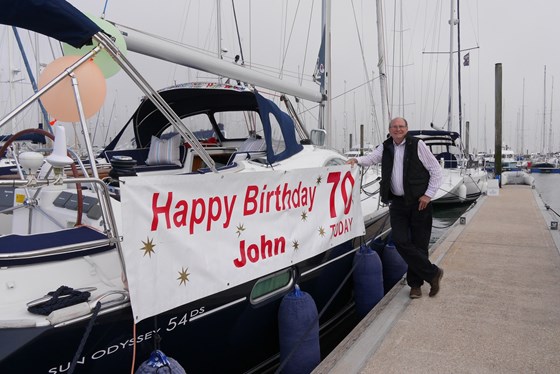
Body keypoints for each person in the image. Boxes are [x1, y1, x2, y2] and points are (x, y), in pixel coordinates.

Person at [347, 117, 444, 299]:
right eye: (394, 127)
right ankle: (433, 273)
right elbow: (371, 159)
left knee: (419, 245)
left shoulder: (418, 145)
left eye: (401, 126)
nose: (398, 129)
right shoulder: (386, 146)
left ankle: (415, 285)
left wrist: (428, 194)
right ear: (390, 129)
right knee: (400, 241)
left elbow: (436, 170)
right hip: (398, 203)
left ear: (407, 128)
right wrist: (356, 160)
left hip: (419, 202)